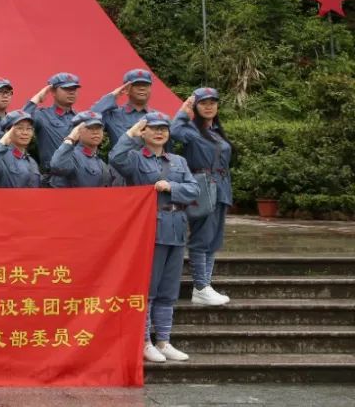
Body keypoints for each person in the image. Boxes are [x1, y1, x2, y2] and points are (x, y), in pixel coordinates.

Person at [110, 112, 200, 364]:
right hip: (150, 226)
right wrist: (131, 133)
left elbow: (194, 189)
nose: (160, 132)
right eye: (153, 128)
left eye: (164, 129)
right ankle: (144, 341)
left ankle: (164, 340)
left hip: (176, 226)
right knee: (148, 287)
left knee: (168, 289)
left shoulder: (178, 161)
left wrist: (172, 187)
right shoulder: (135, 158)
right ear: (144, 132)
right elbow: (115, 158)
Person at [172, 87, 233, 307]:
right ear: (195, 106)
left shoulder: (215, 131)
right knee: (202, 238)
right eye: (203, 103)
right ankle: (200, 287)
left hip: (221, 189)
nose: (208, 106)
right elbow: (173, 131)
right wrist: (183, 110)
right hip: (203, 188)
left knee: (214, 239)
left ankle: (206, 285)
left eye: (212, 102)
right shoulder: (190, 130)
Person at [24, 72, 81, 176]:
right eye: (66, 89)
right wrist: (37, 98)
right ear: (53, 91)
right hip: (53, 177)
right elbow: (20, 122)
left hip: (79, 177)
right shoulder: (42, 116)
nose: (72, 92)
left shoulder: (80, 118)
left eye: (74, 89)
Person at [49, 111, 122, 188]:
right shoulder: (70, 158)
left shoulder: (100, 162)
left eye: (99, 128)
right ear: (76, 131)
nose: (96, 132)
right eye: (89, 128)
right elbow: (57, 166)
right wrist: (70, 138)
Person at [91, 69, 155, 146]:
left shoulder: (157, 117)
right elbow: (90, 119)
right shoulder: (113, 116)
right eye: (136, 84)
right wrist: (112, 96)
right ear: (126, 89)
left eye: (146, 85)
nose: (142, 88)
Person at [0, 110, 42, 188]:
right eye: (20, 128)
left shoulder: (32, 162)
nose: (25, 132)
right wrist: (2, 143)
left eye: (29, 128)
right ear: (7, 132)